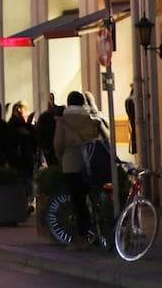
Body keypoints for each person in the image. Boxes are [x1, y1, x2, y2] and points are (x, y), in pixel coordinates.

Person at [54, 91, 103, 244]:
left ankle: (81, 237)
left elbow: (58, 144)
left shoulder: (63, 121)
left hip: (71, 163)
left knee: (78, 201)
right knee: (92, 196)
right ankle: (98, 231)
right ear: (83, 103)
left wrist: (61, 159)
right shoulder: (89, 119)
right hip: (90, 163)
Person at [6, 102, 37, 213]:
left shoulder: (28, 125)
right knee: (22, 180)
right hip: (18, 158)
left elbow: (35, 139)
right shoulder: (12, 125)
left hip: (28, 157)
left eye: (21, 109)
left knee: (29, 179)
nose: (19, 111)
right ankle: (23, 203)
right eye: (17, 109)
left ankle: (29, 202)